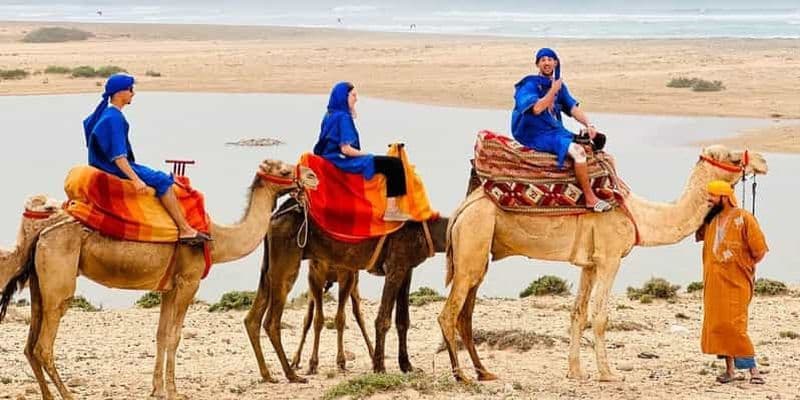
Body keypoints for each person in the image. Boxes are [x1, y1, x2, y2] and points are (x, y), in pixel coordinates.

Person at [82, 73, 211, 245]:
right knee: (162, 180)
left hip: (103, 164)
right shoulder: (114, 118)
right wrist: (136, 180)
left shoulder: (107, 114)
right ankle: (184, 229)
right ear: (120, 93)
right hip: (111, 167)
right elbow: (118, 157)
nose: (133, 93)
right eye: (130, 90)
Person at [511, 47, 610, 212]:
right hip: (534, 132)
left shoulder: (558, 86)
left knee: (590, 141)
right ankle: (590, 198)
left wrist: (588, 124)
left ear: (555, 63)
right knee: (578, 152)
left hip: (552, 128)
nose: (547, 62)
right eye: (543, 60)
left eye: (550, 59)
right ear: (538, 65)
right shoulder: (529, 84)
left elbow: (572, 107)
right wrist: (553, 90)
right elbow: (536, 109)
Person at [696, 180, 768, 385]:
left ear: (724, 197)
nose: (709, 199)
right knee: (719, 325)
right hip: (715, 282)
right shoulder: (711, 219)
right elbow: (696, 233)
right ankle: (730, 371)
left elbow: (760, 250)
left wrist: (742, 263)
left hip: (737, 281)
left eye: (712, 196)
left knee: (736, 326)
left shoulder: (744, 218)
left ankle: (753, 370)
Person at [312, 81, 409, 221]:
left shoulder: (329, 115)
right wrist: (367, 154)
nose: (356, 99)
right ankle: (391, 210)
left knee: (386, 162)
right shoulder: (343, 117)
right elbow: (346, 149)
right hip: (343, 162)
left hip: (332, 159)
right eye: (353, 95)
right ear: (344, 97)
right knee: (394, 164)